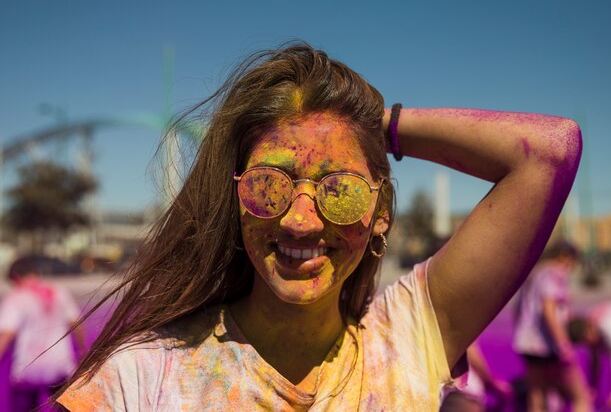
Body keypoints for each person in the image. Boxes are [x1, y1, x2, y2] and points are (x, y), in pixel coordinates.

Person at [55, 42, 582, 411]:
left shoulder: (408, 339)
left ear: (380, 216)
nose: (301, 220)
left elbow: (550, 151)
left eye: (342, 190)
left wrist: (376, 126)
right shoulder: (145, 375)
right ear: (234, 200)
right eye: (268, 184)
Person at [513, 241, 592, 411]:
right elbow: (549, 310)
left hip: (527, 343)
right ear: (564, 257)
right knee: (580, 396)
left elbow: (518, 310)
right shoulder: (554, 274)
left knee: (537, 395)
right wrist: (564, 344)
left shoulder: (534, 274)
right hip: (547, 344)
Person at [0, 257, 85, 412]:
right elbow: (76, 324)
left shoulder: (16, 298)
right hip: (60, 365)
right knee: (64, 407)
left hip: (28, 370)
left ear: (15, 277)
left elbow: (5, 336)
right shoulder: (59, 292)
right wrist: (84, 352)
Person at [569, 301, 611, 411]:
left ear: (587, 331)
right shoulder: (594, 318)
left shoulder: (608, 327)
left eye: (586, 341)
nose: (589, 345)